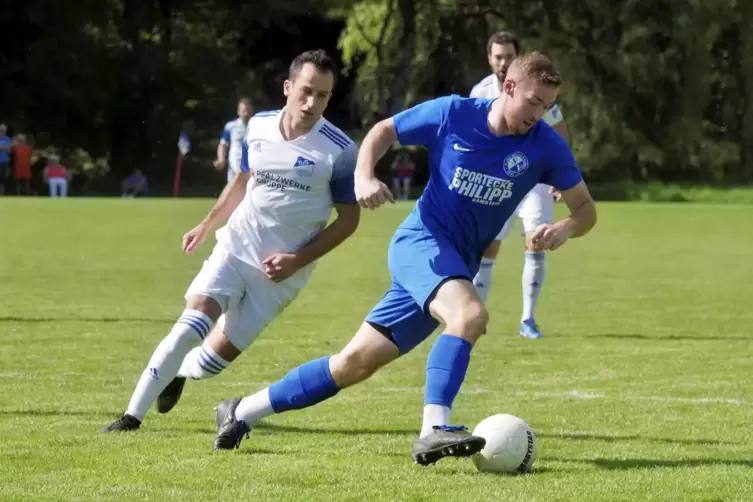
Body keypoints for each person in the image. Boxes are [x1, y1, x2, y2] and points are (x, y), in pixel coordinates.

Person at [210, 52, 597, 466]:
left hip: (455, 264)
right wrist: (364, 175)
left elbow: (585, 209)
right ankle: (433, 429)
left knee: (352, 364)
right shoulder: (453, 113)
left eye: (547, 105)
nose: (539, 114)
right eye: (533, 102)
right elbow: (384, 130)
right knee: (469, 316)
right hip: (421, 243)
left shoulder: (545, 146)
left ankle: (240, 411)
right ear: (508, 88)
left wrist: (563, 229)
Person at [101, 49, 361, 432]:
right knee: (188, 327)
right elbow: (242, 180)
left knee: (209, 364)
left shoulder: (341, 151)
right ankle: (130, 418)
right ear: (288, 87)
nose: (311, 103)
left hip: (282, 274)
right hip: (236, 246)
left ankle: (180, 374)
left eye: (322, 95)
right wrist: (206, 224)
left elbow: (349, 221)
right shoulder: (258, 126)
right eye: (306, 91)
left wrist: (296, 260)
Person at [470, 31, 571, 339]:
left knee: (536, 242)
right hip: (495, 181)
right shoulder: (480, 91)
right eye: (498, 56)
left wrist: (559, 177)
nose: (503, 62)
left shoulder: (537, 91)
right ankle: (477, 317)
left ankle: (528, 319)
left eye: (509, 56)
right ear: (489, 58)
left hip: (534, 181)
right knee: (487, 249)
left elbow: (560, 132)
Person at [215, 98, 252, 183]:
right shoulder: (231, 126)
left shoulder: (257, 126)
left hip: (251, 164)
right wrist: (221, 159)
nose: (246, 113)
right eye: (244, 110)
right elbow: (223, 144)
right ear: (238, 112)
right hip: (234, 163)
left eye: (248, 110)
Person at [0, 124, 11, 196]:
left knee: (3, 178)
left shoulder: (8, 139)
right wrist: (4, 148)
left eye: (3, 130)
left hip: (5, 161)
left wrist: (2, 148)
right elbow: (5, 148)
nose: (2, 132)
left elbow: (9, 150)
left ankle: (1, 194)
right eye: (1, 130)